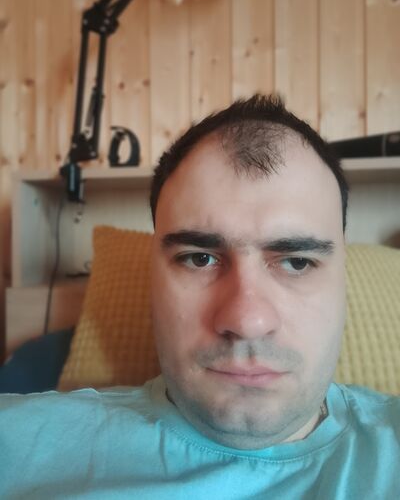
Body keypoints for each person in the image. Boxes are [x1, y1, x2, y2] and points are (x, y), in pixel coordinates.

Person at [0, 95, 399, 498]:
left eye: (297, 262)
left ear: (343, 281)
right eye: (200, 258)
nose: (247, 322)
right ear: (152, 279)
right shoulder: (17, 447)